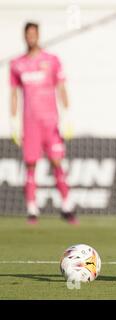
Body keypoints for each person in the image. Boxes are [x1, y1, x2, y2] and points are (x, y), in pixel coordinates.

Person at [10, 22, 76, 225]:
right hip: (30, 123)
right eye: (28, 34)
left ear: (38, 35)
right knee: (30, 164)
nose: (31, 37)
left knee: (57, 162)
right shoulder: (17, 64)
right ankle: (32, 209)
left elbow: (62, 88)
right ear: (24, 36)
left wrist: (67, 115)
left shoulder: (52, 60)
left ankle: (66, 206)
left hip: (51, 121)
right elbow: (14, 94)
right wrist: (13, 122)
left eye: (34, 34)